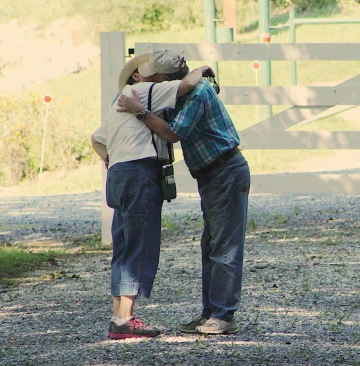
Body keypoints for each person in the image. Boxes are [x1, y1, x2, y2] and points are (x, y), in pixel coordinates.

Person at [117, 64, 250, 336]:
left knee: (223, 246)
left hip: (224, 170)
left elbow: (173, 133)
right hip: (212, 174)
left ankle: (224, 315)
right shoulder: (178, 92)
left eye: (156, 77)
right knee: (211, 245)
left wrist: (139, 111)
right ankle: (210, 313)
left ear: (165, 78)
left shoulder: (196, 93)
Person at [91, 49, 213, 340]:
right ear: (137, 75)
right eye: (146, 68)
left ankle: (118, 317)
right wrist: (204, 67)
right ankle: (126, 320)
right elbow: (186, 85)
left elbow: (96, 139)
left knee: (123, 245)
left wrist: (108, 156)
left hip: (118, 174)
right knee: (140, 244)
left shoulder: (118, 103)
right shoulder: (145, 91)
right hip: (139, 171)